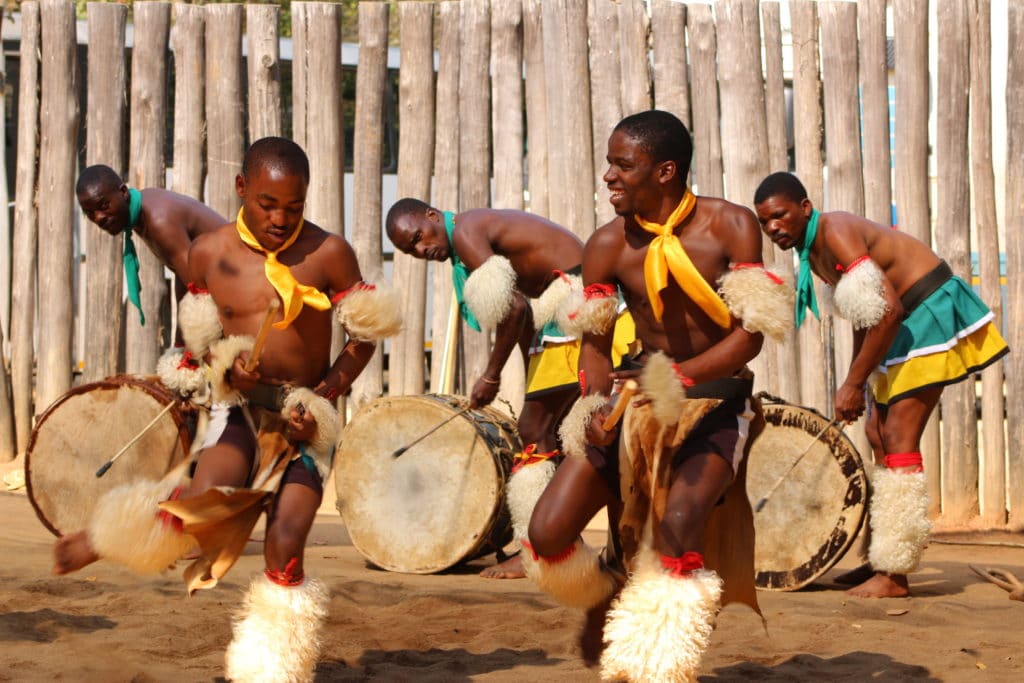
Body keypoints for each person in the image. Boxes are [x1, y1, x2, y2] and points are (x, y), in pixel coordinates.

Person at [54, 137, 401, 681]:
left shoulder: (329, 253)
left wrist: (323, 397)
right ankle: (105, 538)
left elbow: (365, 336)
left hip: (309, 418)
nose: (282, 219)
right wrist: (227, 366)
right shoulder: (208, 253)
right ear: (241, 189)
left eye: (295, 206)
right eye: (268, 204)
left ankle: (273, 671)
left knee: (284, 543)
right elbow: (204, 341)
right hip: (239, 409)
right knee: (202, 502)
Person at [523, 110, 792, 681]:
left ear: (665, 170)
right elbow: (594, 346)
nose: (609, 177)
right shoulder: (605, 245)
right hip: (634, 400)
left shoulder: (731, 226)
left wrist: (681, 379)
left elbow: (749, 337)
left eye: (624, 165)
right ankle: (608, 588)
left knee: (679, 526)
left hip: (718, 400)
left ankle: (655, 668)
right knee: (546, 534)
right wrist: (594, 407)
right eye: (609, 165)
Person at [753, 171, 1009, 599]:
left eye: (779, 216)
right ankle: (879, 557)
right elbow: (865, 312)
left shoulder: (834, 233)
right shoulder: (813, 251)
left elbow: (887, 311)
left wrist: (853, 384)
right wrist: (860, 378)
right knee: (876, 432)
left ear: (804, 208)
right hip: (902, 323)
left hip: (927, 313)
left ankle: (895, 573)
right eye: (765, 222)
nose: (773, 228)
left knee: (897, 436)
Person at [385, 200, 634, 580]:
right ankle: (565, 541)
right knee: (568, 429)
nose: (421, 250)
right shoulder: (470, 233)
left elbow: (515, 309)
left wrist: (491, 375)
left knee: (537, 431)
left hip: (574, 298)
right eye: (409, 250)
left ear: (433, 216)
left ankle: (538, 551)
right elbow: (523, 316)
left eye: (418, 236)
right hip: (574, 300)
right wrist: (532, 370)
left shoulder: (466, 231)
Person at [76, 164, 228, 321]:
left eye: (103, 205)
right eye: (90, 213)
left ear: (123, 192)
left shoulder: (158, 221)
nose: (98, 217)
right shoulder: (142, 207)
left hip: (243, 282)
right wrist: (181, 340)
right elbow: (185, 277)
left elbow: (201, 294)